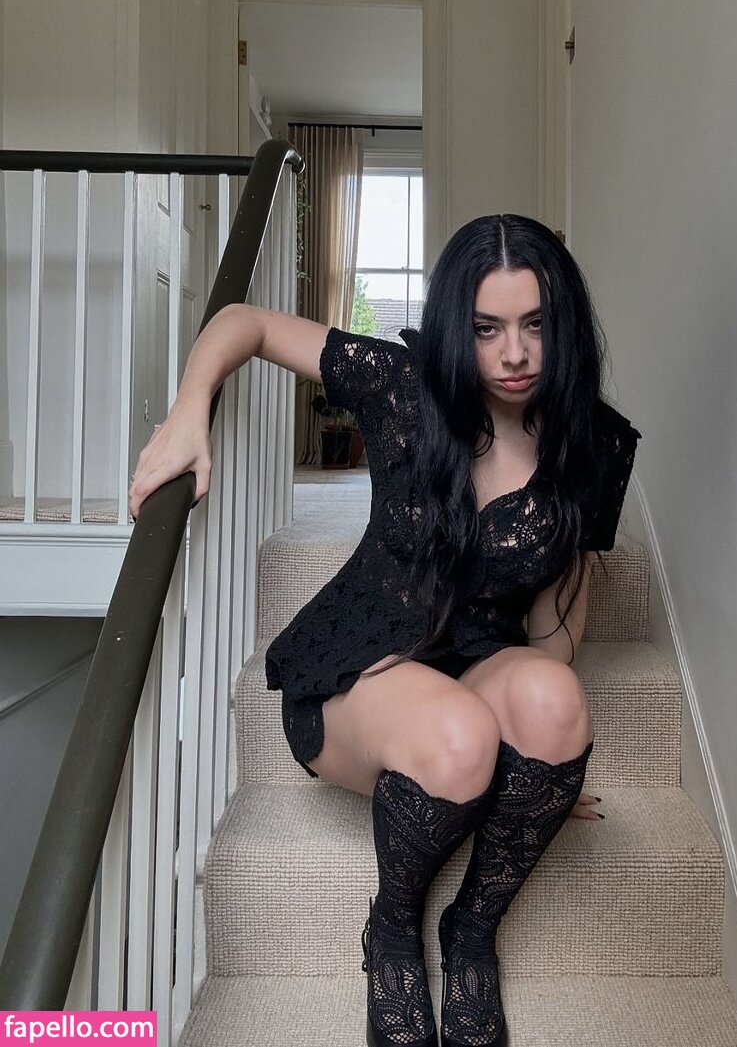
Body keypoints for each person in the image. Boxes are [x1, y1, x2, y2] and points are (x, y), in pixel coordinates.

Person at [129, 213, 641, 1047]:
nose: (514, 354)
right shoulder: (402, 385)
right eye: (486, 328)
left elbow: (555, 607)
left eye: (536, 324)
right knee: (458, 732)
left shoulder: (594, 441)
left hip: (477, 666)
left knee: (555, 701)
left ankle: (470, 930)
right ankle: (394, 929)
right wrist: (189, 411)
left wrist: (540, 768)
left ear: (565, 323)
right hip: (358, 672)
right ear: (455, 327)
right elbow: (244, 323)